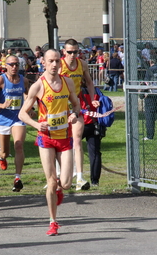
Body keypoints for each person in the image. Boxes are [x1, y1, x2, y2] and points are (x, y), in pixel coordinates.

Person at [18, 49, 80, 236]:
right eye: (50, 61)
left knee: (67, 183)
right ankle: (53, 221)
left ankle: (59, 190)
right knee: (51, 181)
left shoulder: (67, 82)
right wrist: (37, 124)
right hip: (46, 139)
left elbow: (76, 104)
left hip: (64, 137)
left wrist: (75, 114)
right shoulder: (38, 86)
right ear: (43, 63)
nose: (54, 65)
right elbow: (22, 114)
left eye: (56, 61)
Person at [59, 38, 99, 190]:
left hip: (76, 108)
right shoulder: (59, 65)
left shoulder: (82, 64)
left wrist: (93, 98)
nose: (72, 55)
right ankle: (57, 175)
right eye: (69, 52)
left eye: (75, 52)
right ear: (64, 52)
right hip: (60, 108)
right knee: (60, 142)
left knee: (76, 141)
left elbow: (88, 82)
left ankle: (80, 178)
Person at [0, 55, 31, 192]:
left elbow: (28, 96)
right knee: (5, 152)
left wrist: (29, 107)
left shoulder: (24, 81)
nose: (14, 67)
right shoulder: (1, 80)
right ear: (5, 66)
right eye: (11, 64)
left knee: (18, 145)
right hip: (3, 120)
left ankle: (17, 177)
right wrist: (0, 105)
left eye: (16, 64)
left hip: (18, 118)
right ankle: (1, 157)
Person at [80, 87, 102, 186]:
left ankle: (72, 177)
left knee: (68, 150)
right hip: (95, 123)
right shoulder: (97, 90)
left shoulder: (76, 89)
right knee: (95, 153)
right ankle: (95, 180)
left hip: (80, 123)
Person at [141, 60, 157, 140]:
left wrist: (142, 94)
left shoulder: (150, 70)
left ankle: (150, 135)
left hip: (151, 95)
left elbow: (147, 83)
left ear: (150, 62)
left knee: (150, 116)